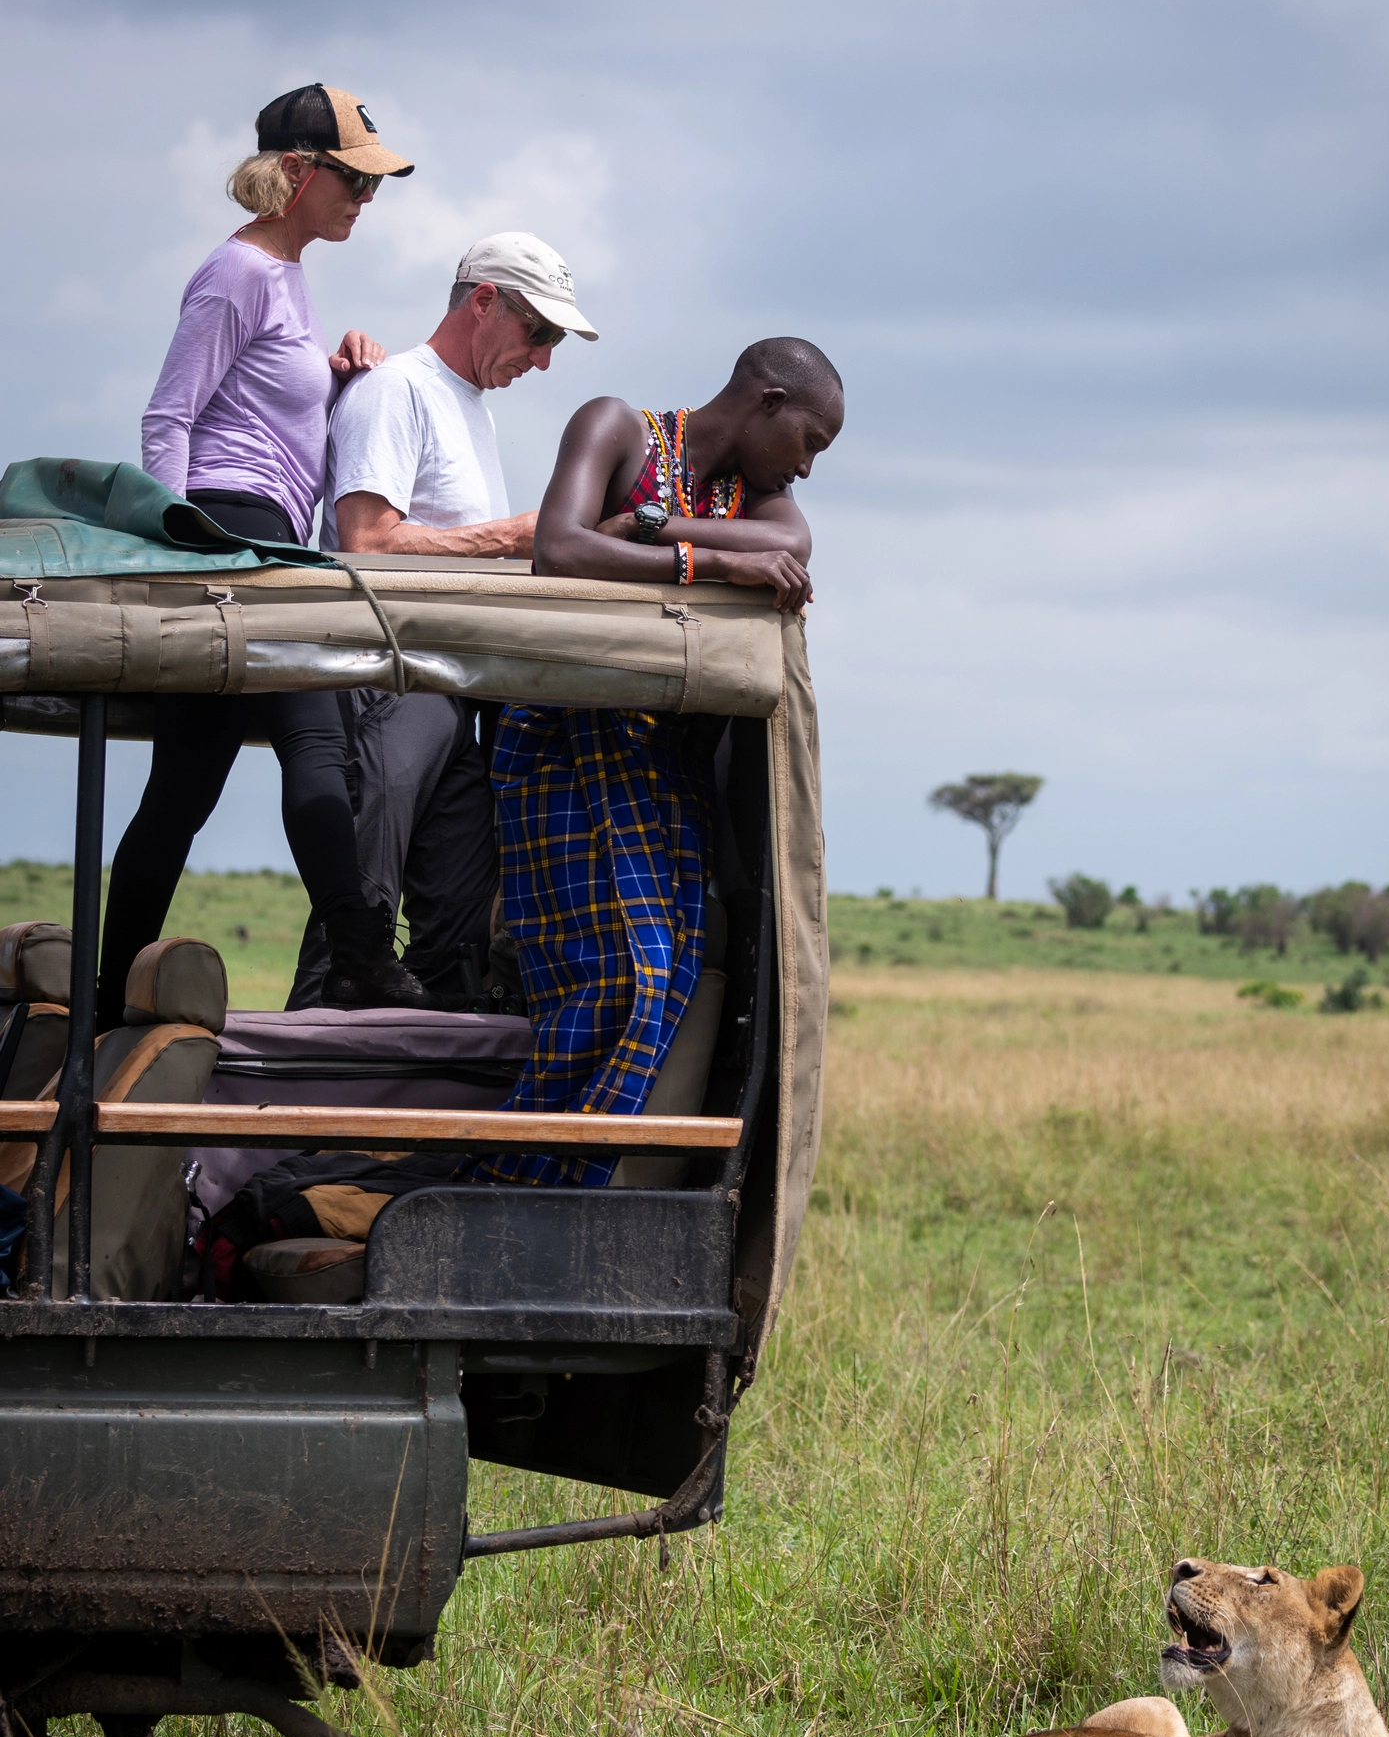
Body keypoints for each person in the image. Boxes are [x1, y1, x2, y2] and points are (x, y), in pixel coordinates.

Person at [97, 83, 433, 1027]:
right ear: (297, 171)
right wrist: (182, 549)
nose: (366, 201)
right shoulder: (237, 272)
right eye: (354, 182)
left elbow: (269, 424)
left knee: (183, 787)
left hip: (260, 530)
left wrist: (333, 380)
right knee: (314, 738)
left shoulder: (288, 277)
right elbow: (171, 416)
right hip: (230, 533)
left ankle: (103, 992)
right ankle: (363, 956)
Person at [476, 338, 844, 1188]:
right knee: (619, 981)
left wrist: (642, 527)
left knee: (672, 976)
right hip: (566, 747)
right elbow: (560, 550)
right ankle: (516, 1185)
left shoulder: (762, 495)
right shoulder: (617, 428)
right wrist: (712, 559)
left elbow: (797, 544)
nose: (807, 466)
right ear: (769, 400)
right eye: (809, 442)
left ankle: (552, 1188)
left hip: (664, 768)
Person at [288, 233, 597, 1007]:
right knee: (360, 910)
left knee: (457, 927)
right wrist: (507, 537)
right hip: (388, 675)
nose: (545, 358)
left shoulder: (471, 409)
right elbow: (364, 542)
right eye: (540, 332)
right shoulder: (397, 388)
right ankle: (299, 1108)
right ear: (484, 301)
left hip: (453, 687)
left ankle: (421, 1111)